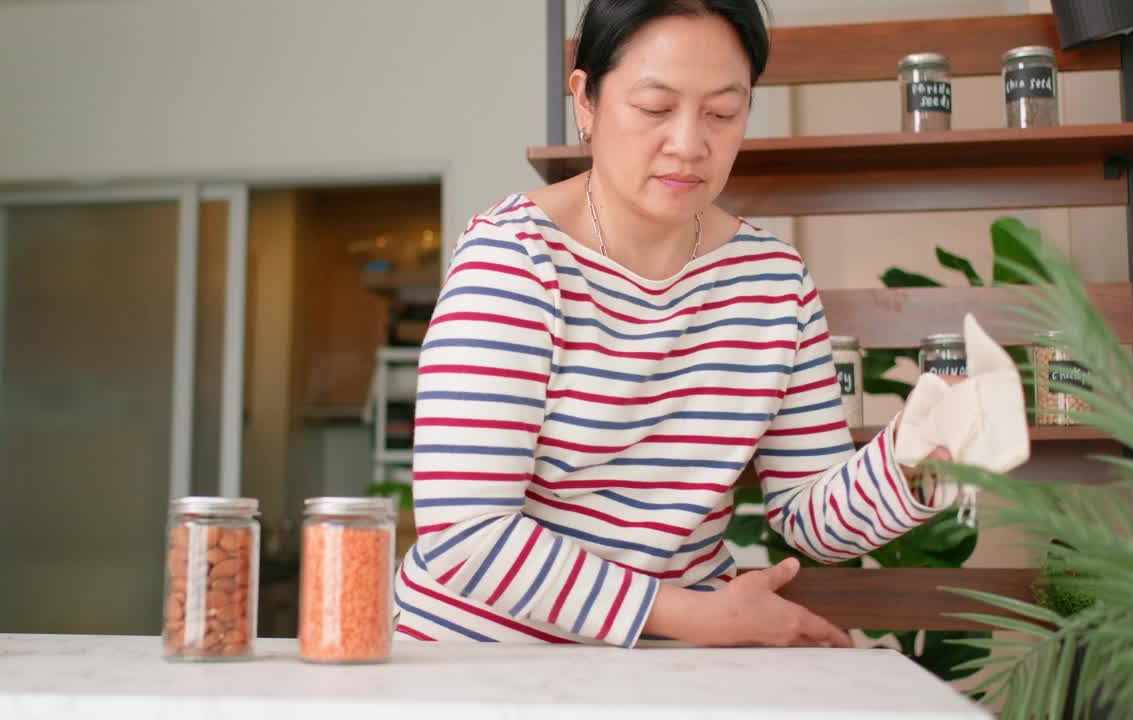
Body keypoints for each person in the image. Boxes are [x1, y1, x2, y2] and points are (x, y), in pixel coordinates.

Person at [392, 0, 959, 648]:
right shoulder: (515, 260)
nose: (690, 145)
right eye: (656, 108)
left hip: (665, 670)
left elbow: (810, 517)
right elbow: (467, 532)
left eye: (722, 112)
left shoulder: (773, 280)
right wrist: (694, 616)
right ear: (586, 100)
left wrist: (918, 462)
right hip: (481, 662)